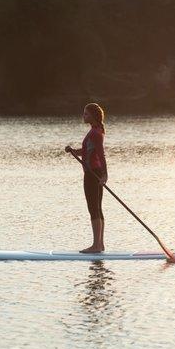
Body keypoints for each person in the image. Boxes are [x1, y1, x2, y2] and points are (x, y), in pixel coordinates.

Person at [65, 103, 108, 253]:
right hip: (93, 172)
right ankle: (99, 245)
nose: (83, 116)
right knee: (97, 208)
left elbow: (101, 154)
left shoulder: (96, 133)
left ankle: (96, 246)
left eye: (86, 114)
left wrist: (104, 174)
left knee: (93, 208)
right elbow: (88, 151)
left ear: (94, 116)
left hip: (93, 174)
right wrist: (74, 151)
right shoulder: (95, 131)